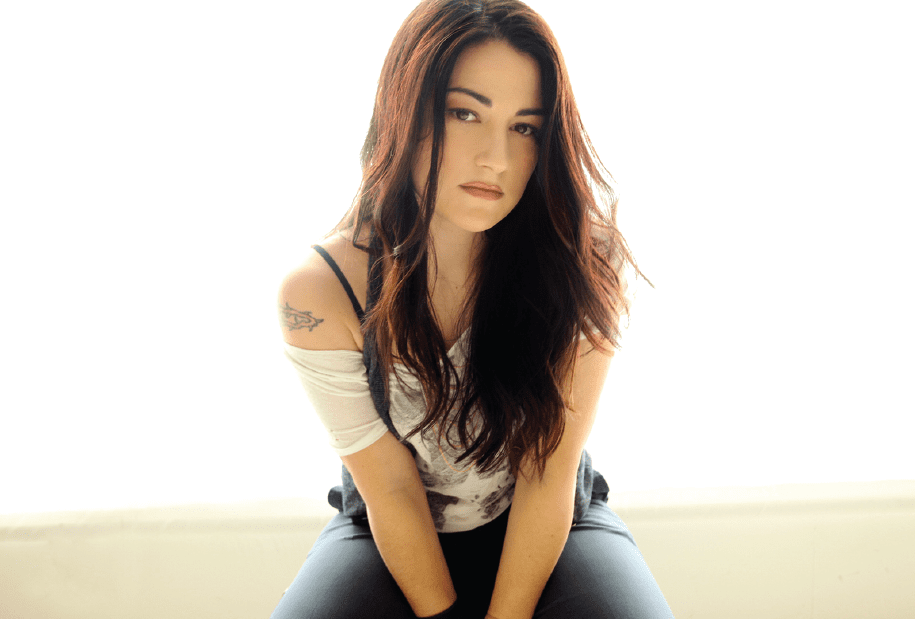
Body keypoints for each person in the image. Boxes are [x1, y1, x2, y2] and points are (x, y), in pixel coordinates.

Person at [273, 1, 673, 617]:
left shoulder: (586, 259)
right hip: (390, 527)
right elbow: (392, 488)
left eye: (525, 127)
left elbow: (549, 469)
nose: (497, 158)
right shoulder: (322, 292)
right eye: (465, 113)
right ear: (404, 112)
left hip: (550, 516)